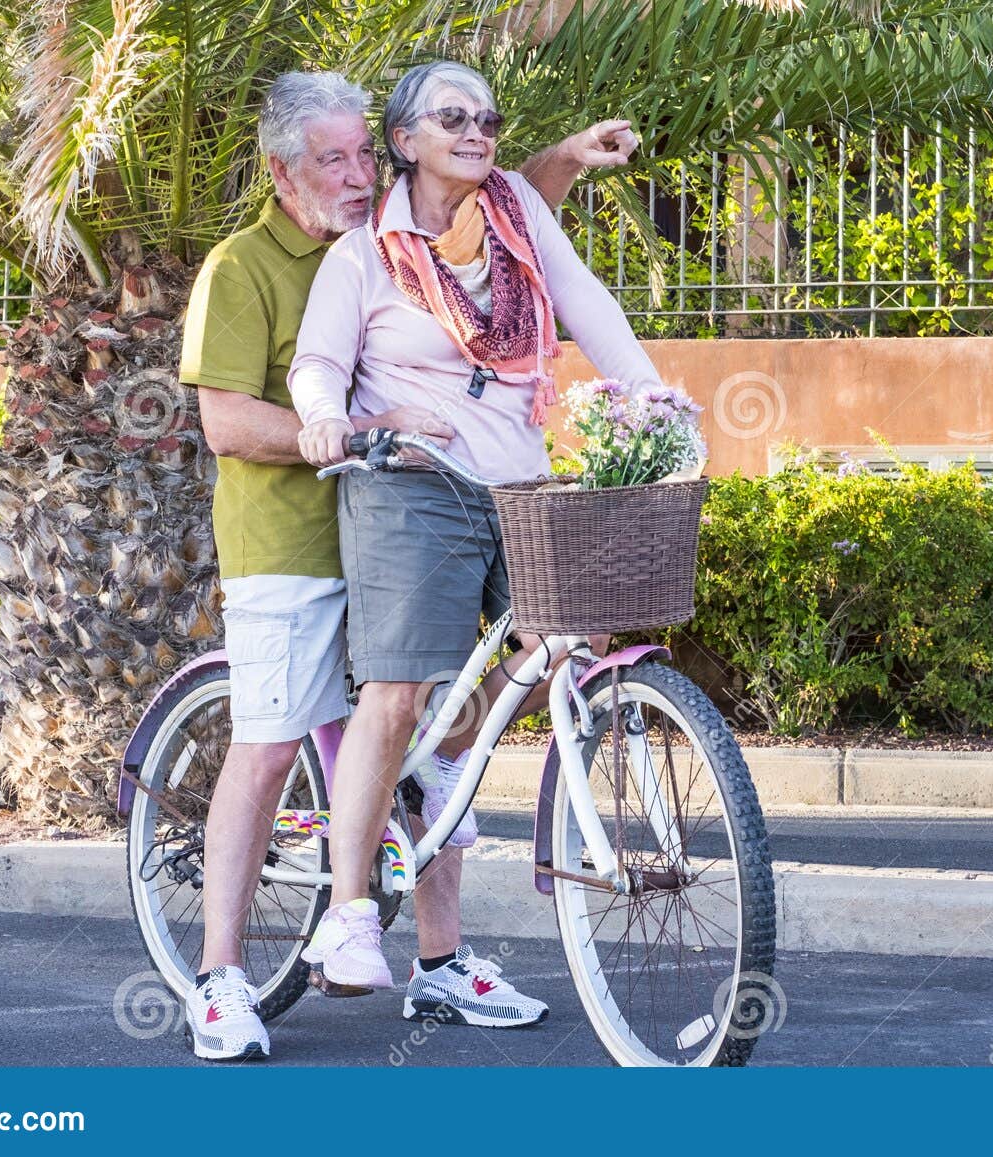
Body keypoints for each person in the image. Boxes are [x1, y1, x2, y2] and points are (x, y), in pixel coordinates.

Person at [176, 68, 638, 1061]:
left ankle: (439, 959)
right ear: (282, 169)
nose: (350, 174)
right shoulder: (248, 266)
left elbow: (512, 225)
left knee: (433, 735)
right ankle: (218, 974)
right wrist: (343, 425)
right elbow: (222, 419)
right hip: (292, 542)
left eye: (356, 155)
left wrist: (555, 162)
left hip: (413, 506)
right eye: (329, 158)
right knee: (268, 744)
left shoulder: (413, 226)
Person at [287, 60, 662, 1029]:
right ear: (403, 140)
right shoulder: (363, 255)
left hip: (517, 483)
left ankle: (432, 781)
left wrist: (651, 395)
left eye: (488, 116)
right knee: (398, 689)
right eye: (451, 116)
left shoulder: (514, 220)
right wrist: (329, 417)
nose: (478, 130)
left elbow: (587, 306)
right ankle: (351, 913)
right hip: (409, 484)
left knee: (542, 657)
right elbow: (319, 364)